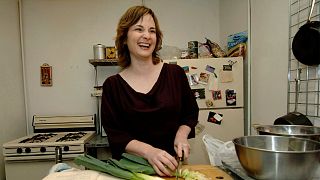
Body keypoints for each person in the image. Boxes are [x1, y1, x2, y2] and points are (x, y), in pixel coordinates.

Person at [101, 5, 199, 177]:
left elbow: (190, 114)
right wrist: (149, 152)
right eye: (139, 29)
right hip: (130, 172)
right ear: (124, 37)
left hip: (170, 168)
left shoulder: (175, 75)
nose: (147, 35)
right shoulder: (112, 86)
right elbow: (116, 135)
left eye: (152, 31)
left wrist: (182, 135)